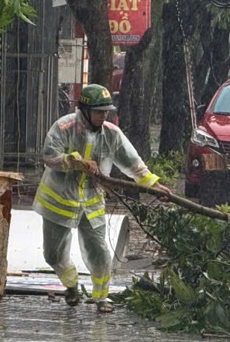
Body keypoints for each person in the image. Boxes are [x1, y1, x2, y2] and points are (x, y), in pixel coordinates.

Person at [35, 84, 170, 313]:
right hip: (58, 202)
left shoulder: (112, 134)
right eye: (99, 111)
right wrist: (75, 161)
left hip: (91, 203)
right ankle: (71, 284)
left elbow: (133, 163)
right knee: (53, 254)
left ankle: (102, 298)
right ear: (85, 110)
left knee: (100, 250)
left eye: (106, 111)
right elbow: (49, 156)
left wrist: (154, 185)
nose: (103, 115)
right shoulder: (64, 127)